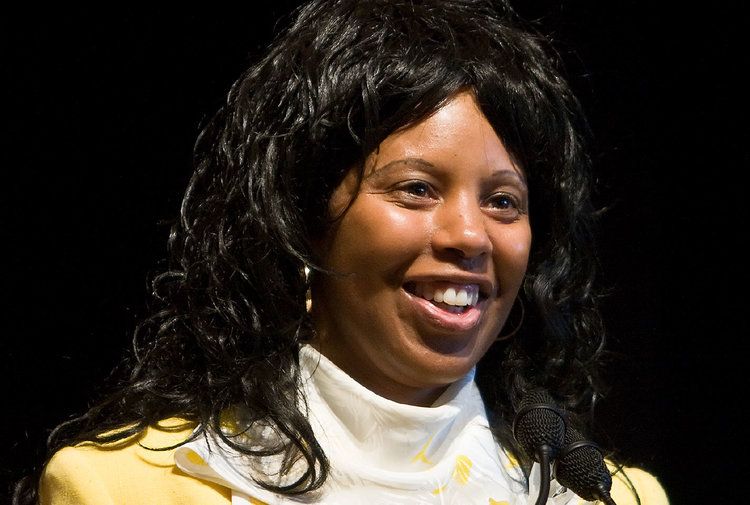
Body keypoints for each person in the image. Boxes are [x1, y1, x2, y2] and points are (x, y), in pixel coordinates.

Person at [14, 0, 670, 504]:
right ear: (303, 220)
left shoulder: (605, 497)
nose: (471, 236)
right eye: (417, 188)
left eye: (503, 201)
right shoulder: (124, 488)